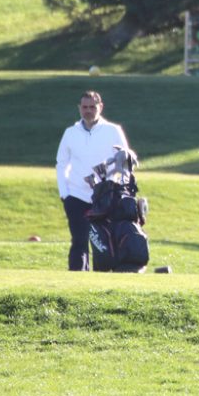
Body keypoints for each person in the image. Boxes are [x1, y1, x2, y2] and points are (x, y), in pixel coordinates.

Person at [55, 90, 131, 271]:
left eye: (92, 107)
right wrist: (64, 193)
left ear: (100, 107)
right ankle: (77, 281)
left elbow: (124, 161)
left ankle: (102, 279)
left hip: (105, 197)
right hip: (76, 196)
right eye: (84, 107)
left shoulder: (113, 131)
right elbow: (61, 163)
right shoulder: (70, 133)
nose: (88, 110)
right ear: (79, 108)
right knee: (79, 241)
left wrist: (119, 189)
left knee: (105, 241)